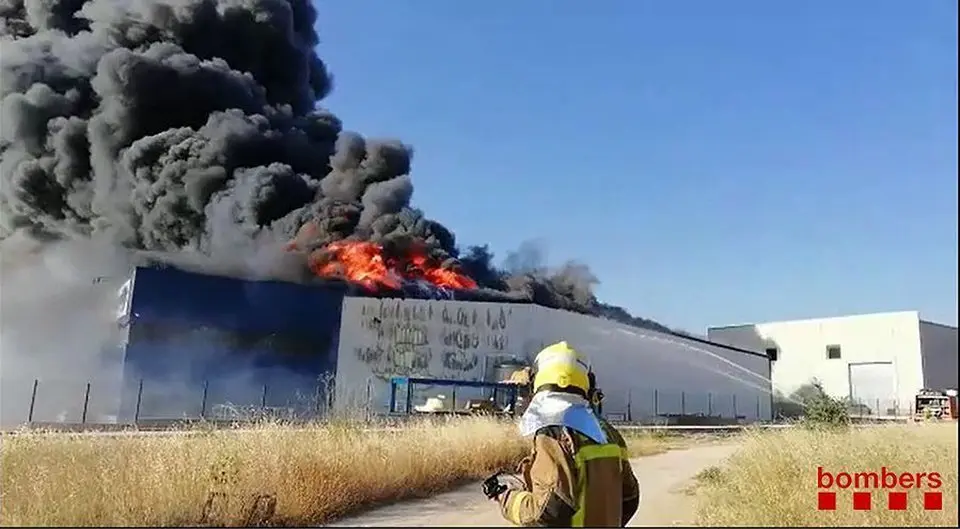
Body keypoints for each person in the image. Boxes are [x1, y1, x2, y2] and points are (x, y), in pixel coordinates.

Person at [488, 341, 641, 527]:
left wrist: (508, 498)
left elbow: (548, 511)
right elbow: (630, 498)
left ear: (538, 385)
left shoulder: (552, 437)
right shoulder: (608, 433)